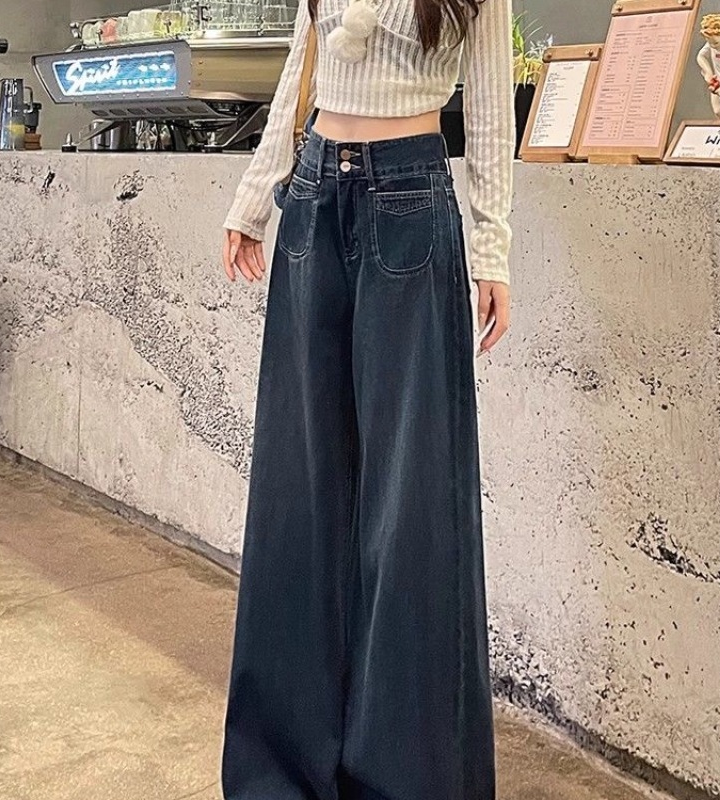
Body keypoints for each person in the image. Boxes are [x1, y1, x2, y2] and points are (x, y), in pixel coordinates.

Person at [219, 0, 514, 796]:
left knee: (413, 507)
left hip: (411, 199)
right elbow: (302, 68)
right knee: (296, 493)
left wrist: (492, 250)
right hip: (313, 195)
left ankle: (405, 777)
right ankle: (279, 773)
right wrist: (256, 194)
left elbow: (490, 108)